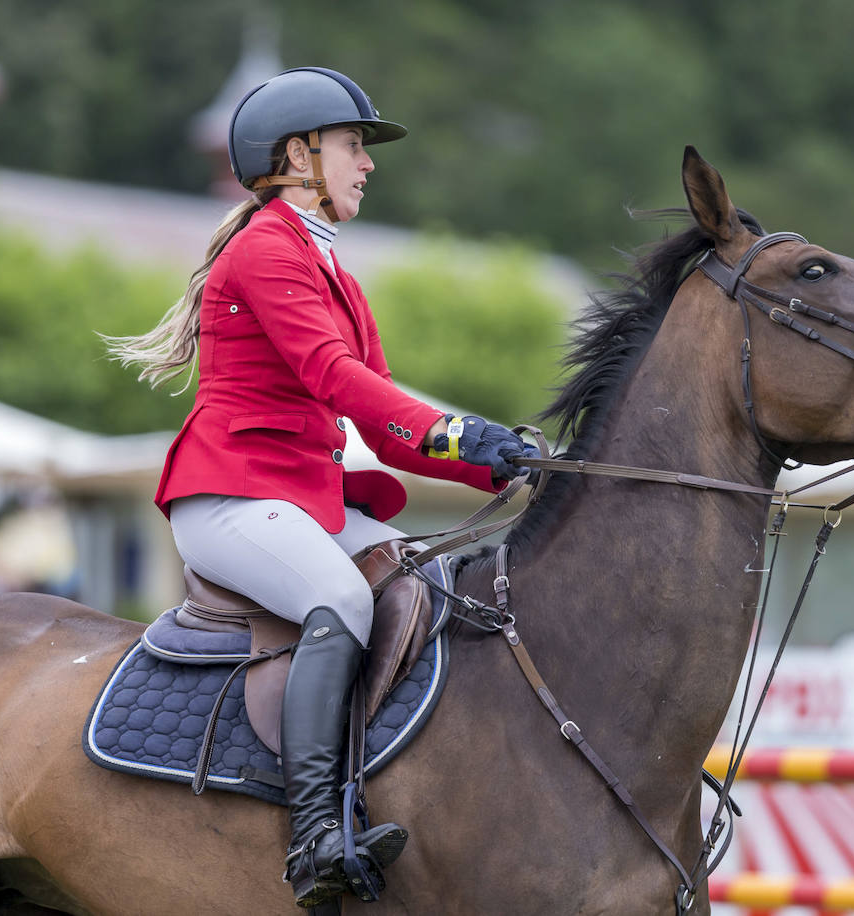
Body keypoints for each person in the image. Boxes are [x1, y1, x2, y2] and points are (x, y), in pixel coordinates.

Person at [105, 66, 537, 908]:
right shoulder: (266, 248)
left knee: (422, 586)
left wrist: (498, 461)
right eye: (352, 146)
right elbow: (335, 378)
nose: (367, 164)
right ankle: (311, 836)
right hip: (229, 496)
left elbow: (379, 430)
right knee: (339, 599)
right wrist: (455, 425)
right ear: (296, 156)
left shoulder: (333, 268)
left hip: (302, 497)